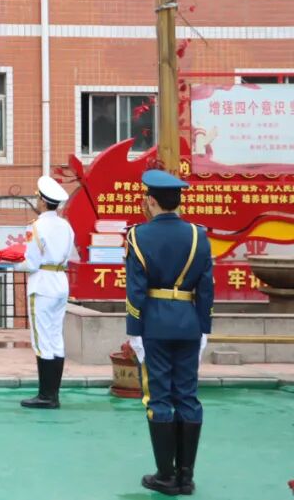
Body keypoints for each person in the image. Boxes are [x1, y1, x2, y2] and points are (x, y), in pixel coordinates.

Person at [125, 169, 214, 496]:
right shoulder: (198, 236)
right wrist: (204, 327)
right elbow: (207, 288)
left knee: (159, 396)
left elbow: (135, 290)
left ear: (151, 201)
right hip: (189, 324)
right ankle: (186, 476)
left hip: (155, 325)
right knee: (188, 396)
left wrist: (134, 331)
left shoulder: (138, 237)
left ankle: (166, 475)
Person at [19, 175, 74, 409]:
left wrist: (13, 262)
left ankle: (45, 395)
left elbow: (30, 262)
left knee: (42, 339)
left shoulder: (36, 227)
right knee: (55, 338)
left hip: (42, 284)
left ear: (42, 201)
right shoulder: (66, 226)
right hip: (60, 281)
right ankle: (54, 394)